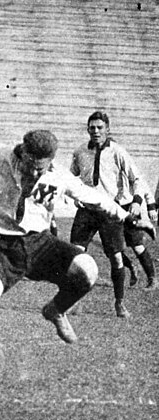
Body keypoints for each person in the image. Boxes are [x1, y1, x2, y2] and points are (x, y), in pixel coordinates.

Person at [0, 130, 155, 360]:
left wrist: (130, 218)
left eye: (40, 168)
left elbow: (94, 198)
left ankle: (56, 309)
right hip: (2, 246)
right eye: (30, 165)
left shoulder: (59, 176)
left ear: (51, 160)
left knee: (88, 269)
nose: (34, 172)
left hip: (41, 244)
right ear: (23, 152)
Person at [69, 111, 156, 320]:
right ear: (87, 129)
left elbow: (137, 178)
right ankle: (73, 300)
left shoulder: (118, 152)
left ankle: (119, 303)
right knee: (74, 255)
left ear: (107, 129)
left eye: (100, 127)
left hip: (110, 212)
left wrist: (137, 202)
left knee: (116, 257)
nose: (96, 131)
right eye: (92, 127)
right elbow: (70, 177)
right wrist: (73, 195)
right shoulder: (80, 151)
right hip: (87, 211)